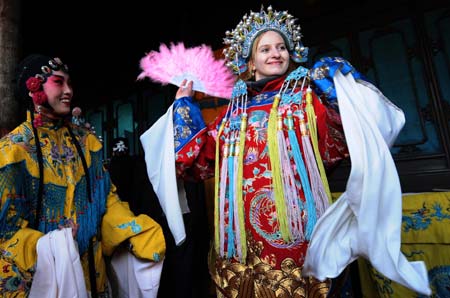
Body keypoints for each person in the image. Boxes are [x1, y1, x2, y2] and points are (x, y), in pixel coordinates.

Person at [141, 5, 432, 297]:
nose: (275, 53)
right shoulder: (235, 112)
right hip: (241, 235)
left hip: (299, 226)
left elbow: (341, 135)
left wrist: (334, 87)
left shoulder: (305, 98)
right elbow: (201, 160)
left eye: (281, 46)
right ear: (251, 62)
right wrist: (184, 107)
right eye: (265, 49)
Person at [0, 54, 166, 297]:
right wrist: (55, 245)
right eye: (58, 82)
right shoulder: (13, 150)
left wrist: (133, 229)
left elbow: (106, 202)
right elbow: (7, 231)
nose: (68, 90)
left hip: (91, 275)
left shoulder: (86, 142)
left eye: (69, 83)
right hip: (40, 282)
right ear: (32, 88)